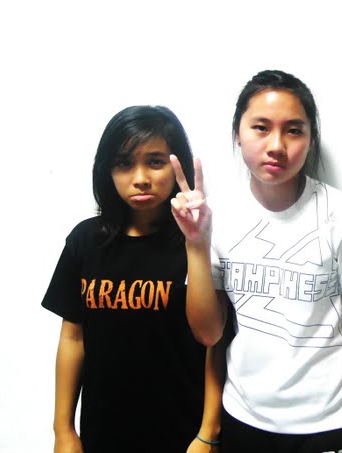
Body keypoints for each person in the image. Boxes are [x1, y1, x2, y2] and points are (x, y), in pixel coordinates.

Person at [170, 69, 342, 452]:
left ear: (311, 139)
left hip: (328, 421)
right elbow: (209, 335)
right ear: (238, 132)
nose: (277, 145)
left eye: (294, 131)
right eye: (261, 128)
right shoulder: (215, 215)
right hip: (243, 418)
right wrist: (196, 245)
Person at [42, 105, 222, 453]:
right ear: (107, 170)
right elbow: (73, 338)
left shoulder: (198, 242)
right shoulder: (86, 241)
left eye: (155, 162)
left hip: (182, 433)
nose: (140, 177)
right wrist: (63, 429)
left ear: (177, 165)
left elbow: (214, 343)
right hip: (102, 432)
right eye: (124, 163)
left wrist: (208, 433)